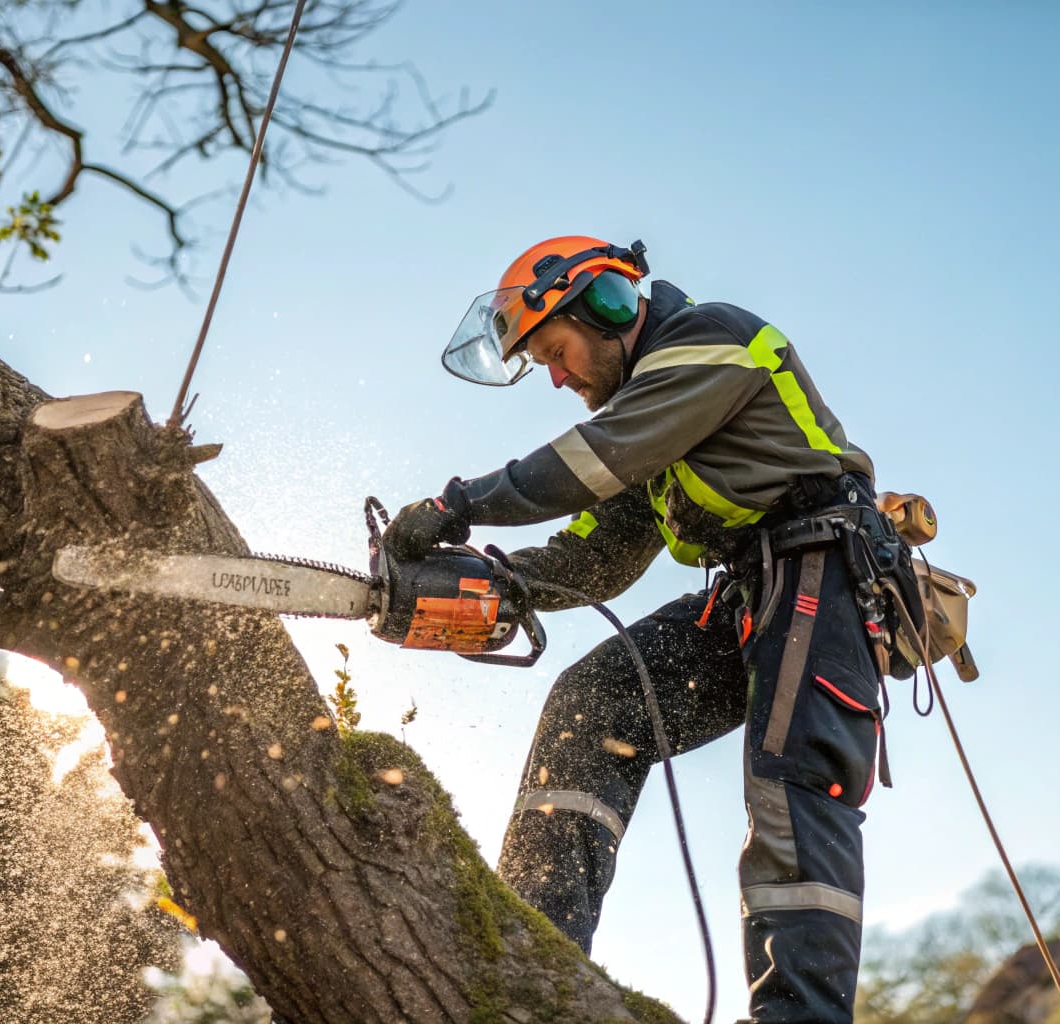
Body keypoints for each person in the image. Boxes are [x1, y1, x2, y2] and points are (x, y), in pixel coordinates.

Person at [383, 236, 898, 1023]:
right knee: (596, 701)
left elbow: (587, 462)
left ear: (605, 306)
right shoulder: (651, 425)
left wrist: (458, 503)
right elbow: (593, 557)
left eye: (555, 351)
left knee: (788, 785)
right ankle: (531, 949)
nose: (555, 377)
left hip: (821, 569)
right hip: (746, 591)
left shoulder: (712, 343)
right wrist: (504, 585)